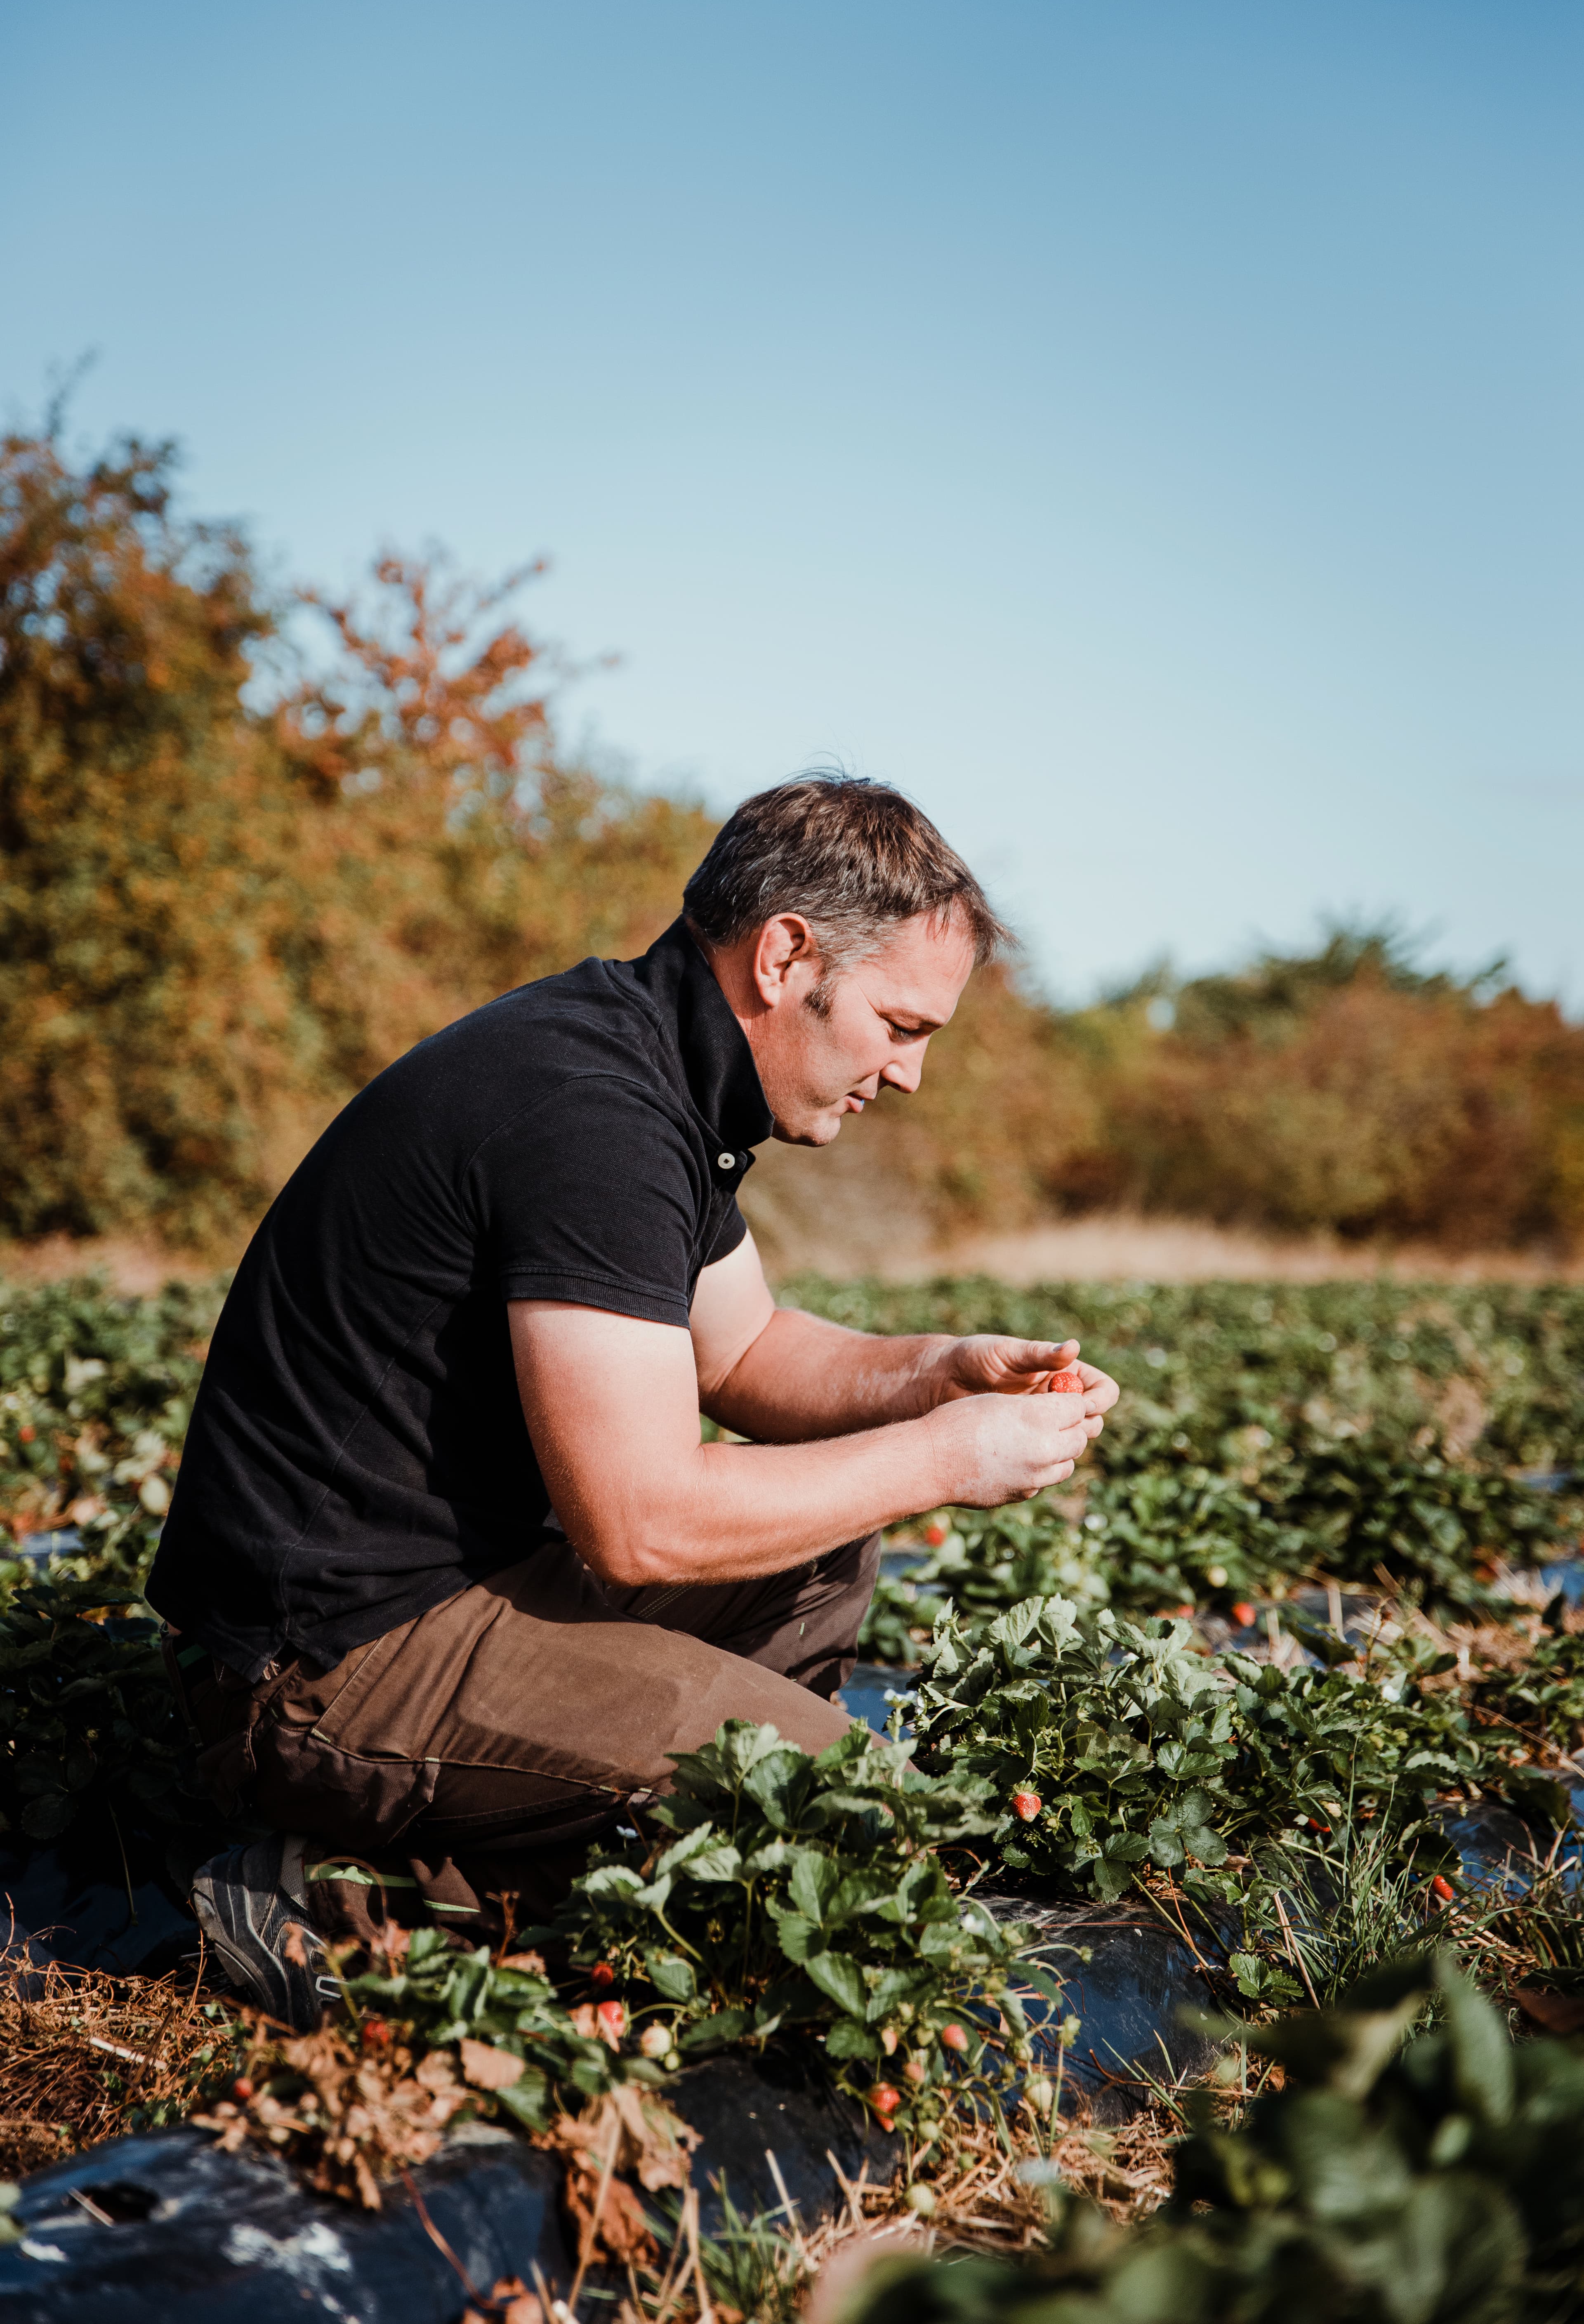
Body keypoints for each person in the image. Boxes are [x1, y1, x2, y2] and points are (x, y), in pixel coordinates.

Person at [149, 776, 1120, 2027]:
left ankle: (588, 1830)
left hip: (450, 1583)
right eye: (900, 1024)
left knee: (820, 1556)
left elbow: (749, 1352)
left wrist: (940, 1375)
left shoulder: (653, 1063)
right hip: (322, 1666)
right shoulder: (592, 1114)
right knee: (841, 1816)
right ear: (786, 956)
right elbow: (641, 1524)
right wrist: (945, 1458)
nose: (912, 1074)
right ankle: (336, 1896)